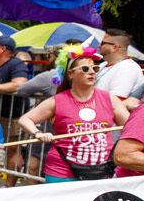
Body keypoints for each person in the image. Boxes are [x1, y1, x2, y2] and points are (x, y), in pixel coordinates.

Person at [15, 47, 129, 182]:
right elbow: (25, 119)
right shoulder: (58, 101)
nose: (92, 72)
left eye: (95, 69)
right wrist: (38, 133)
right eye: (85, 69)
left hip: (99, 169)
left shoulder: (110, 99)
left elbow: (131, 126)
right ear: (70, 74)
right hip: (62, 169)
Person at [94, 28, 144, 98]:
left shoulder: (127, 67)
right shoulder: (103, 65)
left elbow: (117, 99)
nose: (99, 45)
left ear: (115, 47)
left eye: (103, 43)